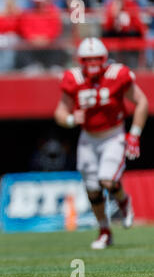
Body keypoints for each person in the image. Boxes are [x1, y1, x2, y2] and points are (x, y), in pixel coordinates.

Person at [54, 37, 149, 250]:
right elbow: (60, 112)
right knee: (92, 190)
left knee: (107, 180)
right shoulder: (73, 78)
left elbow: (141, 102)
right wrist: (71, 120)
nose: (93, 63)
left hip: (113, 135)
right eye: (88, 59)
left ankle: (123, 201)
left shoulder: (118, 75)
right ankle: (105, 231)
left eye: (96, 58)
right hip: (88, 138)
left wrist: (134, 134)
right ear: (80, 60)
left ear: (104, 58)